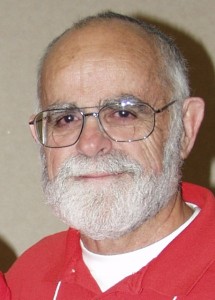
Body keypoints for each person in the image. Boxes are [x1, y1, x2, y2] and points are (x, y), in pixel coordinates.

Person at [6, 11, 215, 299]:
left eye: (123, 112)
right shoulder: (27, 278)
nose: (91, 144)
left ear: (186, 127)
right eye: (66, 118)